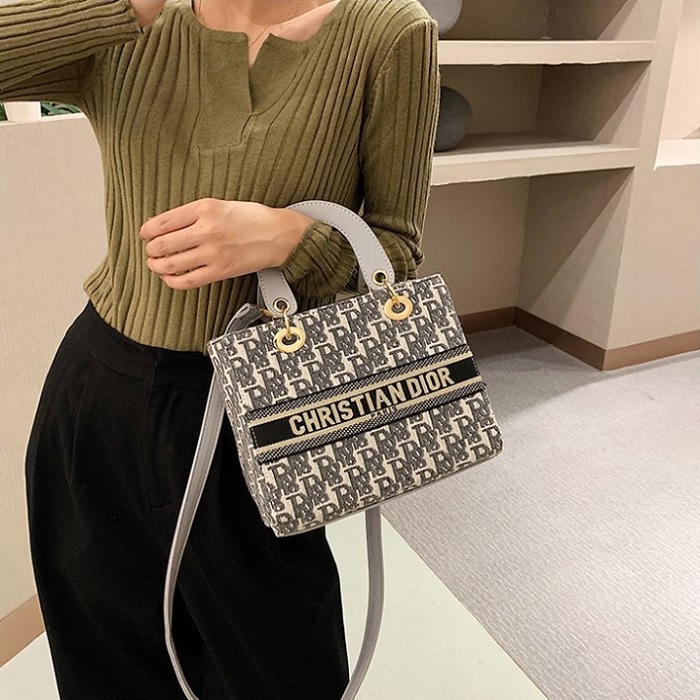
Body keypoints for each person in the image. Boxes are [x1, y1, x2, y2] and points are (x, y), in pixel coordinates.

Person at [0, 0, 440, 697]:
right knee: (104, 662)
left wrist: (291, 239)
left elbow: (397, 253)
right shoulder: (132, 29)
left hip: (264, 408)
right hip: (99, 403)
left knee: (280, 666)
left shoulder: (387, 31)